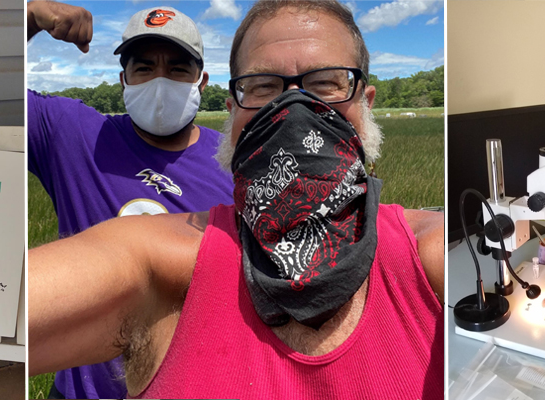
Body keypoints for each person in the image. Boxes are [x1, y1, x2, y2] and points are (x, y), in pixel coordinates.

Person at [29, 1, 445, 398]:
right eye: (263, 86)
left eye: (326, 82)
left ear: (364, 102)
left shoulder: (428, 258)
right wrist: (25, 17)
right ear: (233, 114)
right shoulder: (81, 144)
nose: (294, 107)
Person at [26, 3, 233, 398]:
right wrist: (31, 17)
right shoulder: (76, 136)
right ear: (123, 79)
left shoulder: (233, 163)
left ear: (201, 81)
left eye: (176, 69)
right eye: (144, 68)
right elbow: (4, 97)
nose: (159, 81)